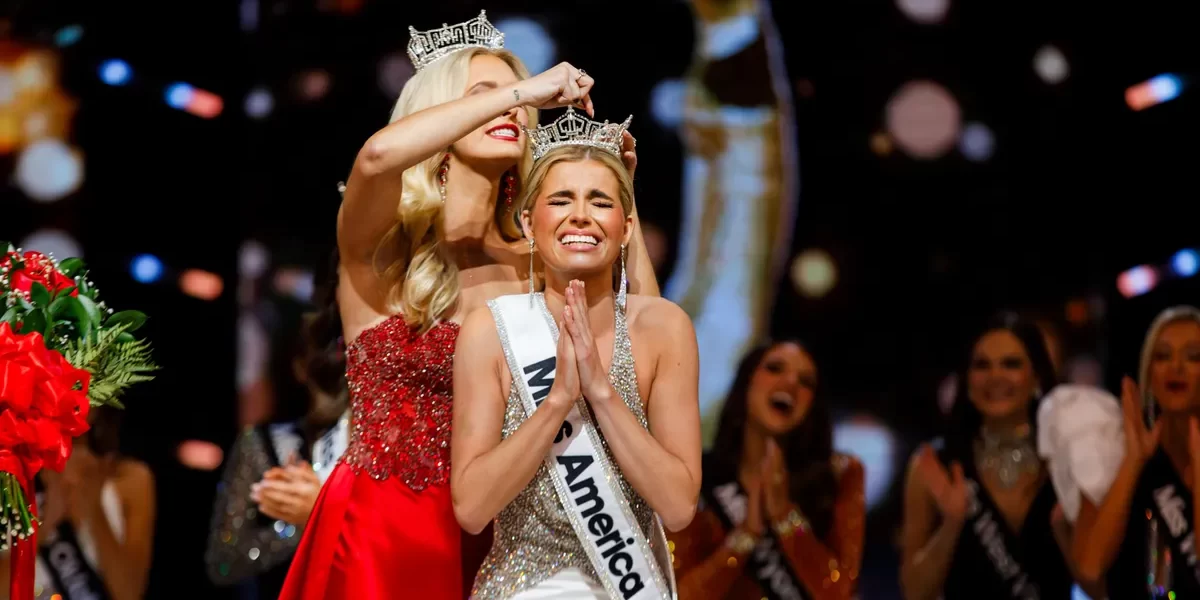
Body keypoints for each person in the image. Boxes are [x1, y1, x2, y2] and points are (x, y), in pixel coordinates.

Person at [279, 11, 659, 600]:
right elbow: (378, 158)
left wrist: (620, 201)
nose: (509, 110)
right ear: (435, 114)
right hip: (381, 536)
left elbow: (645, 348)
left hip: (505, 546)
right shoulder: (384, 250)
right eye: (481, 97)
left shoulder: (539, 265)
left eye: (516, 105)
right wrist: (524, 89)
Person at [451, 110, 700, 599]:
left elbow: (677, 507)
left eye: (600, 201)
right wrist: (557, 401)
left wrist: (601, 393)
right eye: (561, 199)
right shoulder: (491, 329)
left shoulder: (665, 327)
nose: (580, 215)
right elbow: (472, 508)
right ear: (529, 221)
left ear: (626, 227)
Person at [900, 312, 1090, 600]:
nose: (995, 377)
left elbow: (1099, 583)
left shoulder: (1070, 457)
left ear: (1036, 376)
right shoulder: (933, 464)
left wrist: (1066, 532)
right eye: (981, 365)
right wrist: (951, 525)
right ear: (967, 379)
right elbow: (914, 592)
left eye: (1011, 364)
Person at [670, 339, 865, 600]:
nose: (791, 383)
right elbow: (678, 594)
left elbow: (841, 593)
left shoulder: (841, 474)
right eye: (774, 368)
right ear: (746, 383)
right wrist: (745, 537)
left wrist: (784, 515)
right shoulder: (698, 474)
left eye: (806, 382)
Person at [206, 251, 350, 599]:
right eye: (320, 349)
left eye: (341, 348)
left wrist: (322, 514)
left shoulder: (377, 438)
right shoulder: (264, 444)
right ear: (298, 365)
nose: (332, 359)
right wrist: (299, 526)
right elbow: (224, 562)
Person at [1072, 306, 1200, 599]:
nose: (1176, 367)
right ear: (1148, 371)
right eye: (1162, 356)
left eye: (1193, 356)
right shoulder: (1113, 448)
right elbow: (1090, 568)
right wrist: (1134, 460)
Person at [0, 407, 156, 600]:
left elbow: (129, 594)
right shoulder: (9, 479)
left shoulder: (130, 479)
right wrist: (47, 521)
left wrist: (94, 509)